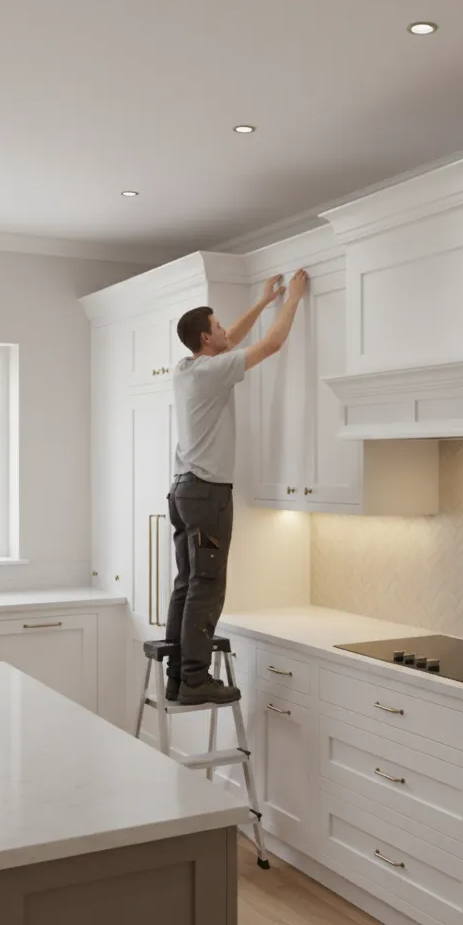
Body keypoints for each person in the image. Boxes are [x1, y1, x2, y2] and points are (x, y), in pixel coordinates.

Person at [164, 268, 309, 705]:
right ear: (206, 339)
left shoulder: (188, 367)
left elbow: (234, 340)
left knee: (188, 583)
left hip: (183, 493)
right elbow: (271, 344)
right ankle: (194, 678)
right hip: (207, 497)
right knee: (207, 585)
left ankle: (177, 675)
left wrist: (264, 303)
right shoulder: (213, 371)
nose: (225, 331)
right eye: (218, 327)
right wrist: (292, 300)